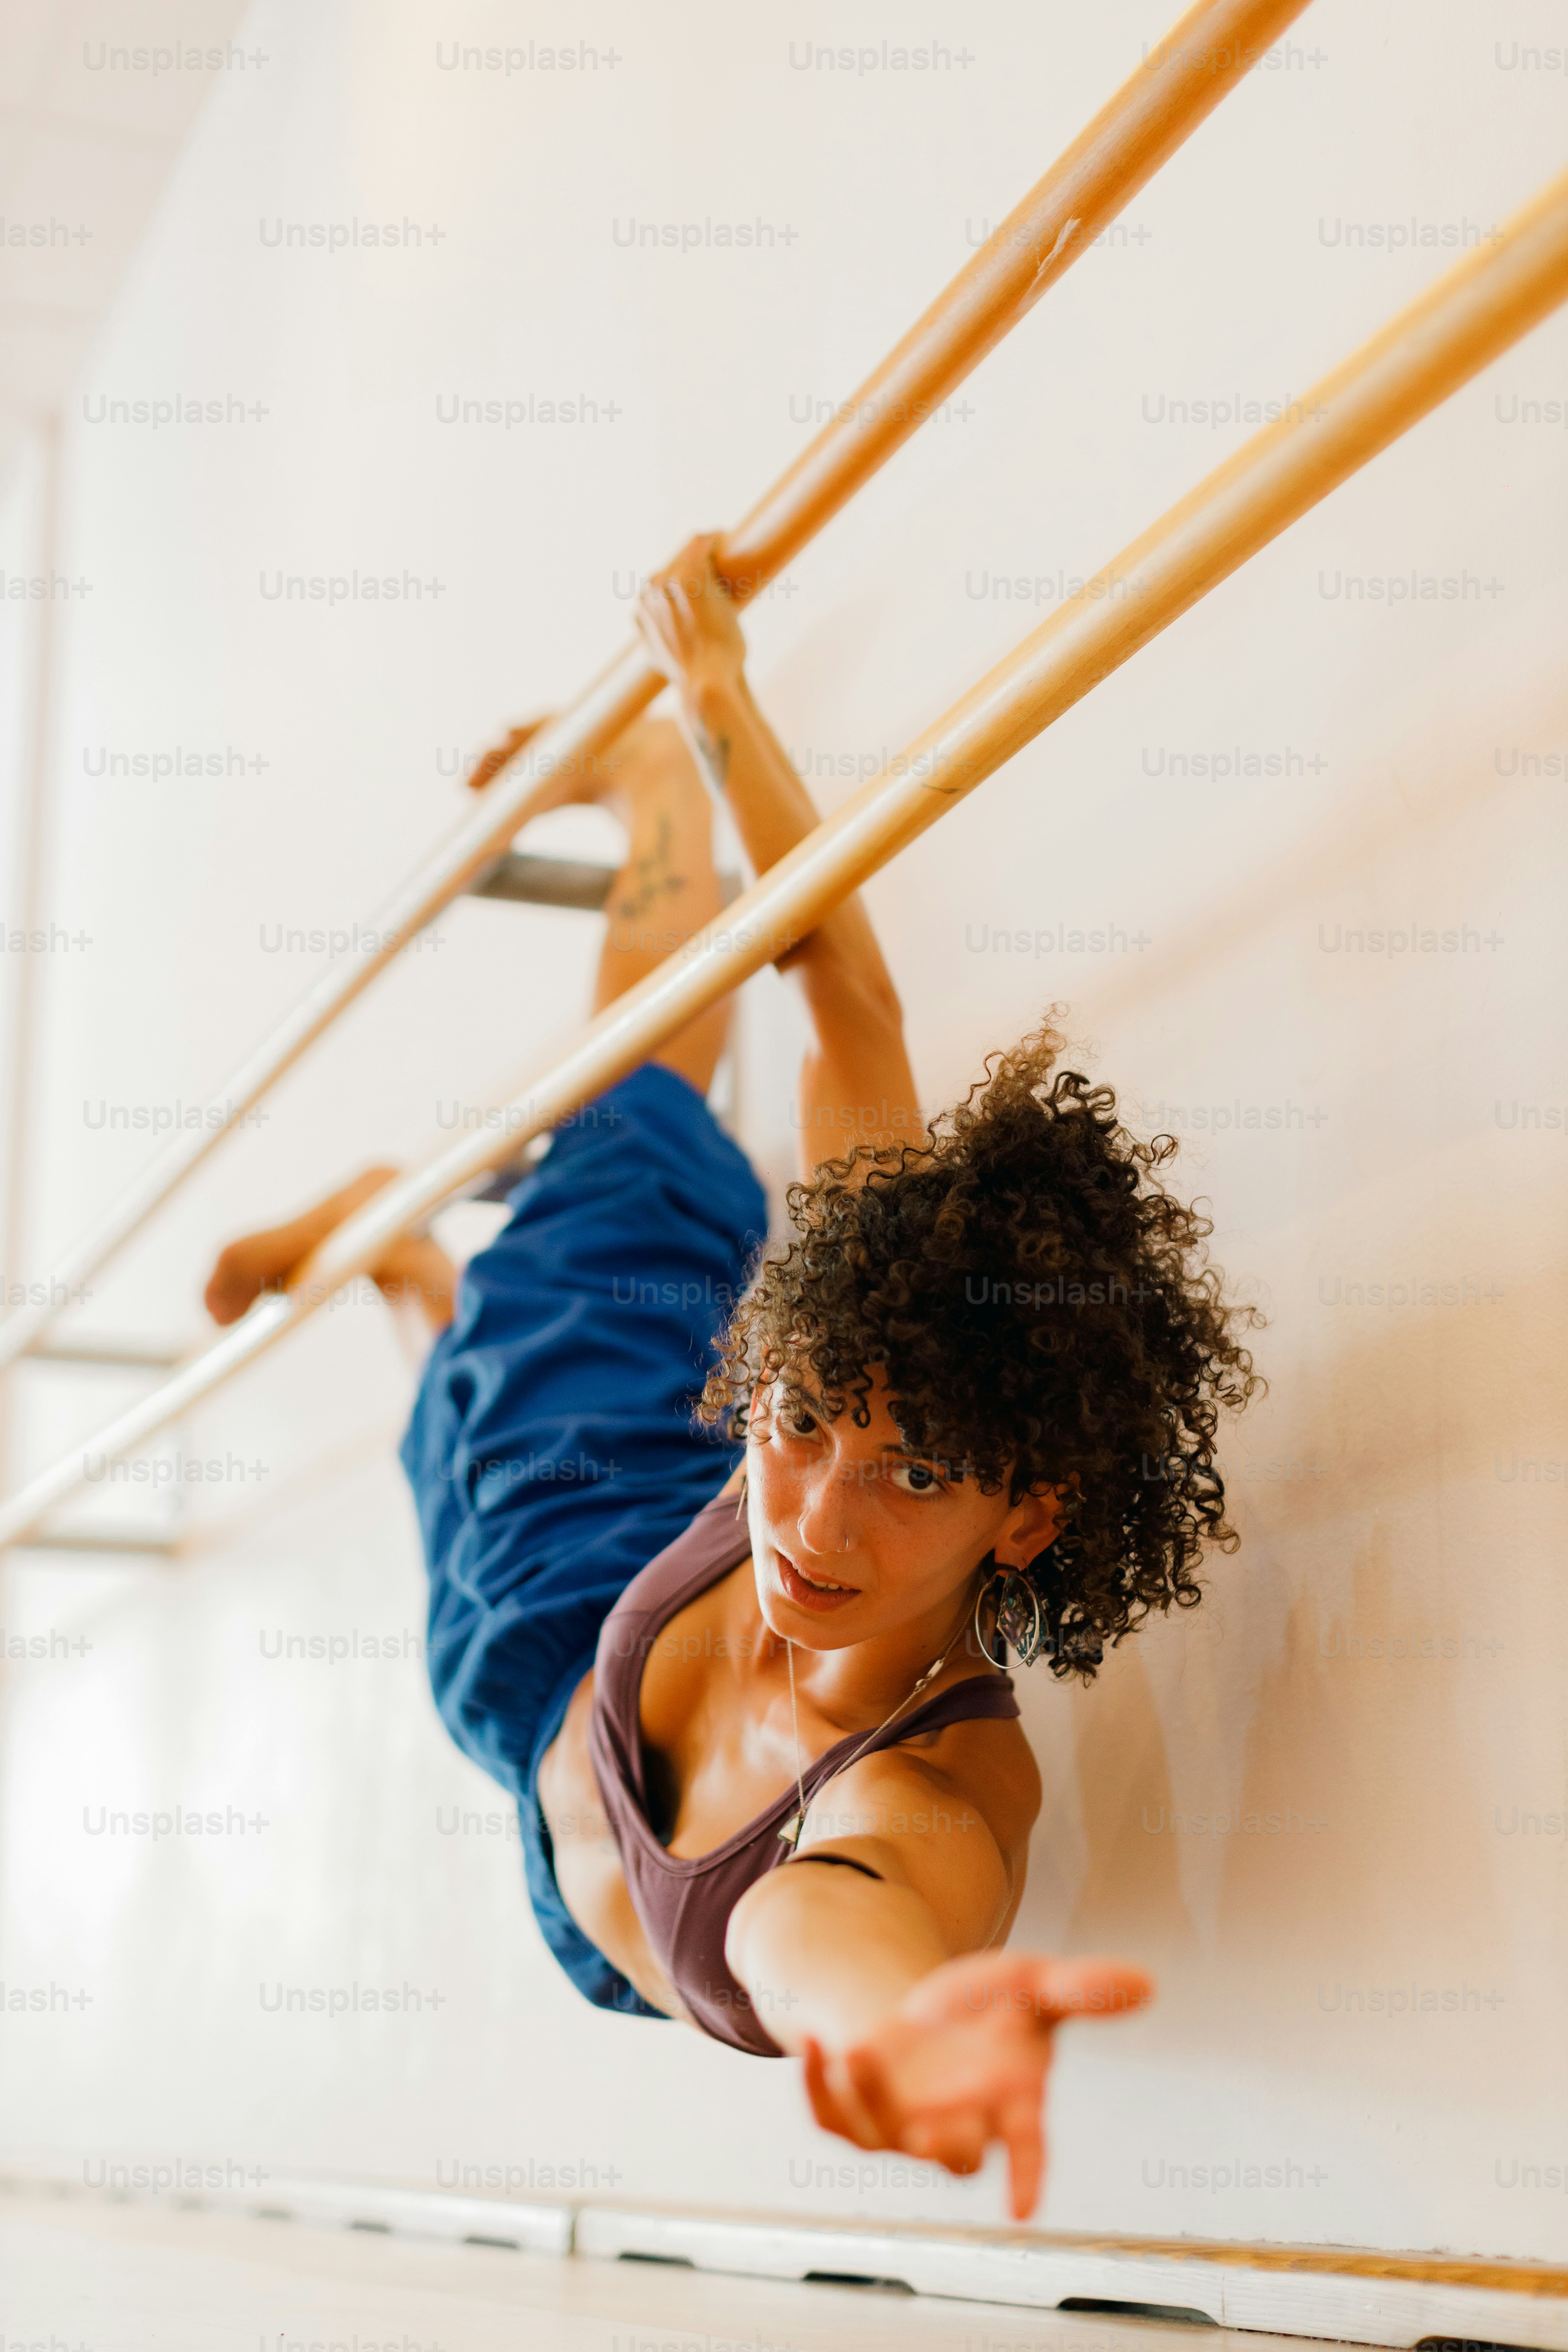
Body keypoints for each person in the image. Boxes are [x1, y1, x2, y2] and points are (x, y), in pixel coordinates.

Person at [206, 539, 1260, 2218]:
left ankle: (407, 1264)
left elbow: (829, 1923)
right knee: (621, 1127)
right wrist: (711, 704)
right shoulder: (780, 1414)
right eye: (795, 1424)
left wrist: (903, 2025)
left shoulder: (937, 1781)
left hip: (525, 1710)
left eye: (913, 1473)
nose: (811, 1524)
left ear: (1030, 1507)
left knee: (466, 1446)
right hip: (609, 1522)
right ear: (771, 1371)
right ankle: (644, 804)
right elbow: (841, 983)